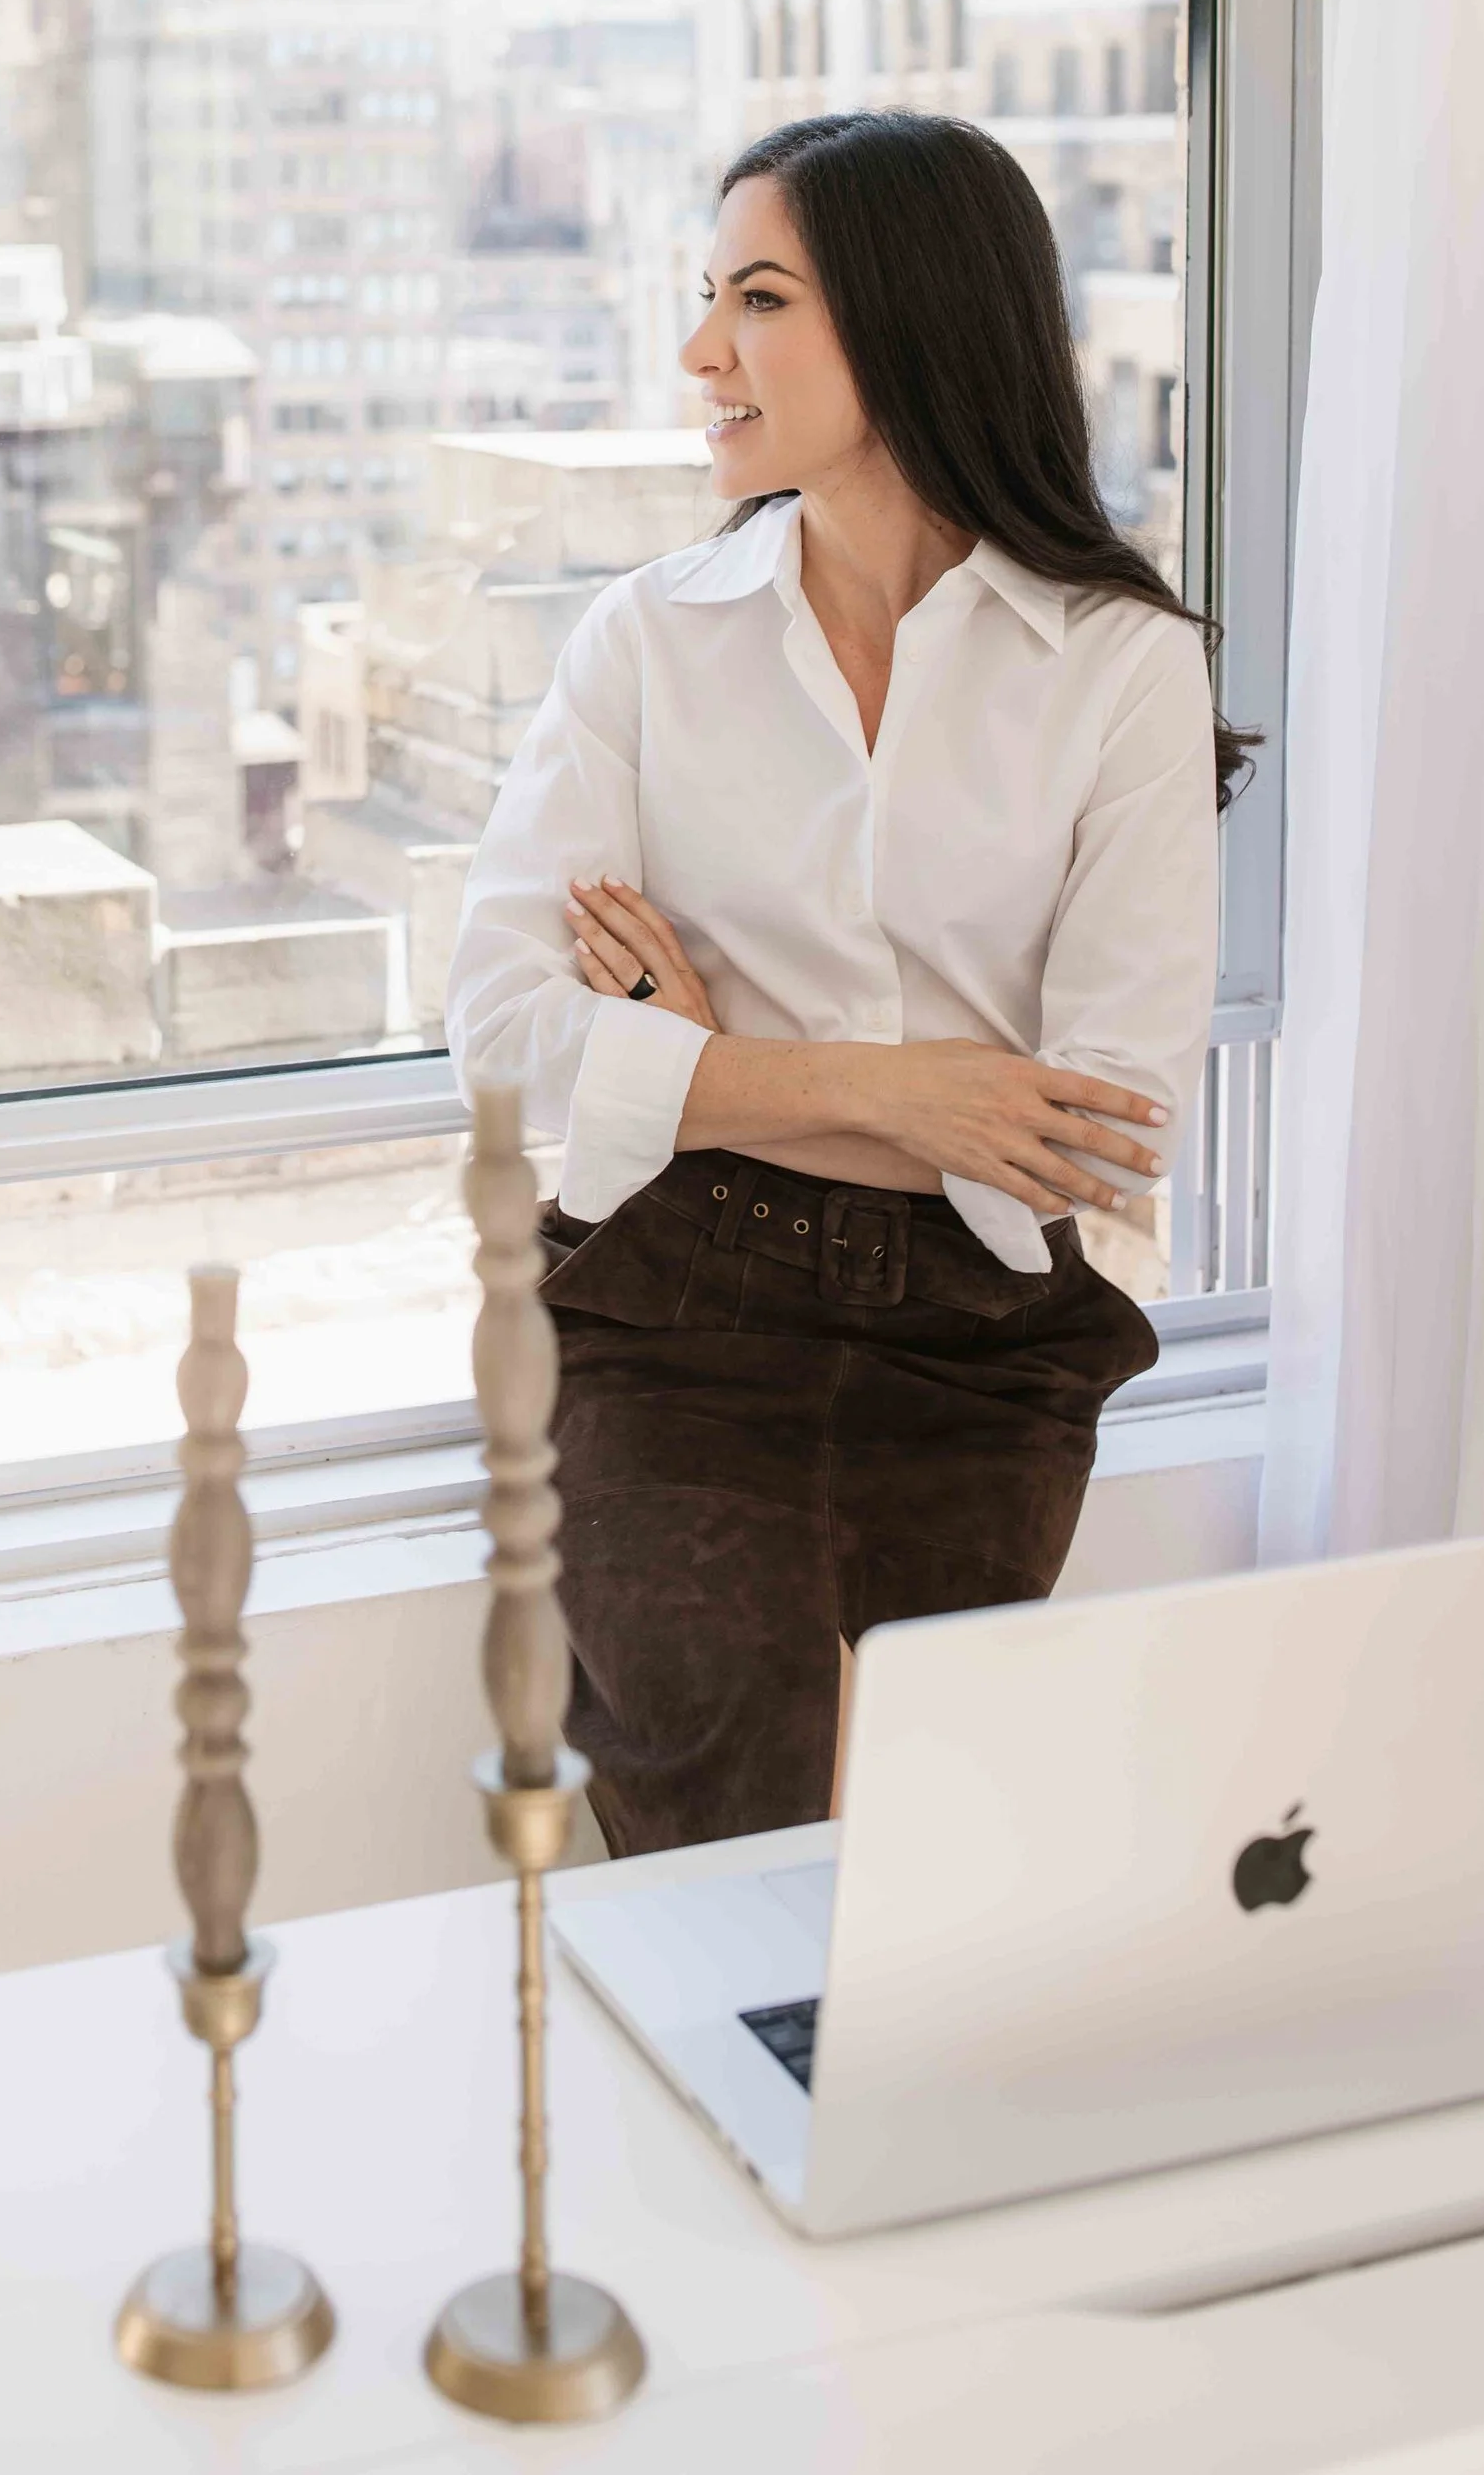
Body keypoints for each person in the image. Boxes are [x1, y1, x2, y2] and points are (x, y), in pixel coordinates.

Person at [445, 108, 1244, 1856]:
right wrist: (895, 1089)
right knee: (728, 1810)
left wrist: (697, 1063)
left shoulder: (1121, 669)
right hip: (678, 1304)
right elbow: (507, 1037)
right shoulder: (648, 641)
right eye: (706, 297)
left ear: (904, 315)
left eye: (758, 298)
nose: (700, 351)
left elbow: (1096, 1131)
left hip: (989, 1335)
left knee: (941, 1845)